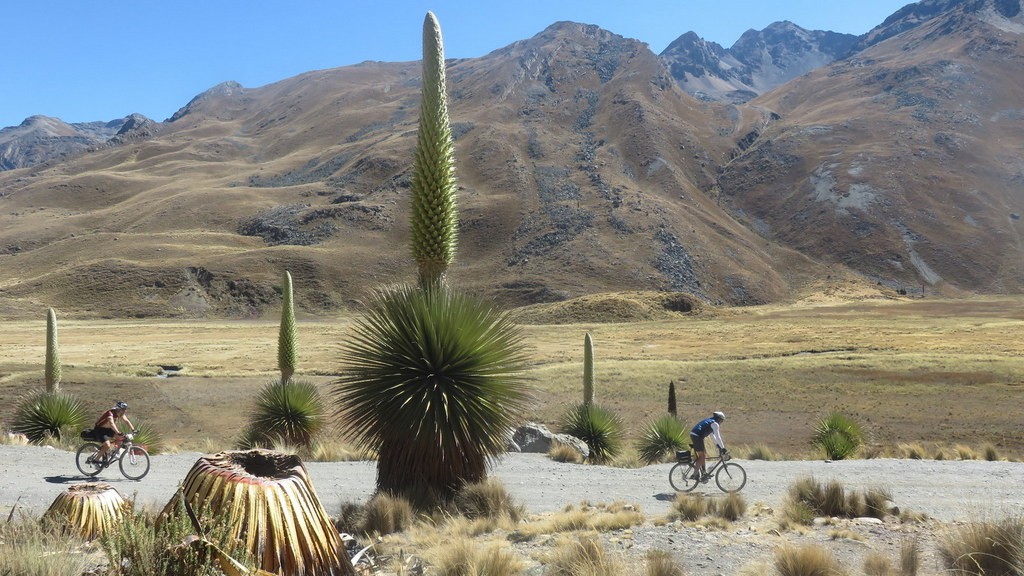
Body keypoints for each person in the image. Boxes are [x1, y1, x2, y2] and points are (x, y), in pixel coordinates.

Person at [690, 411, 727, 481]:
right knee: (702, 457)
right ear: (720, 419)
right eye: (722, 421)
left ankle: (704, 473)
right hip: (697, 436)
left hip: (696, 435)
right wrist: (723, 448)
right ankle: (695, 475)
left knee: (704, 454)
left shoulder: (711, 421)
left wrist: (718, 446)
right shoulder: (715, 424)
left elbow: (712, 436)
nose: (721, 423)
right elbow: (718, 437)